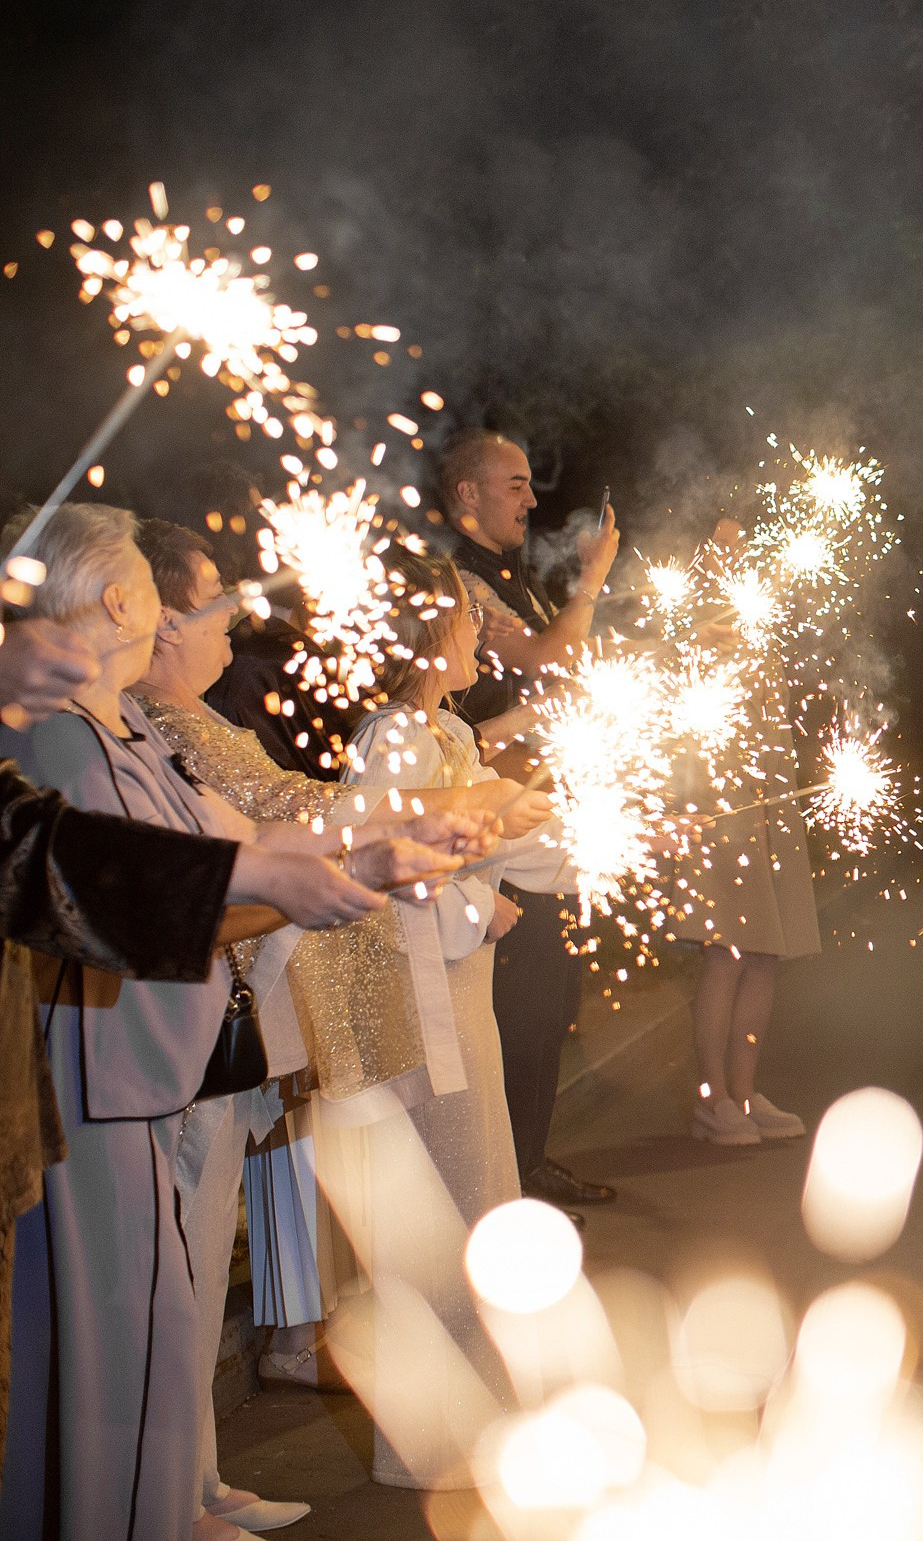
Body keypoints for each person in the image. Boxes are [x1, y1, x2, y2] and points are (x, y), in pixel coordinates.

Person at [0, 506, 467, 1541]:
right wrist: (310, 878)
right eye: (164, 588)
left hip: (137, 1080)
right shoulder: (62, 741)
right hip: (91, 1087)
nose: (205, 615)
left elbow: (234, 845)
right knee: (100, 1370)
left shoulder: (116, 732)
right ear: (121, 600)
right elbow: (115, 894)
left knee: (152, 1346)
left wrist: (377, 847)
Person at [131, 520, 535, 1530]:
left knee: (196, 1265)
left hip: (238, 1022)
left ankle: (198, 1482)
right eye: (214, 601)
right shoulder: (155, 728)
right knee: (177, 1271)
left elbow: (293, 807)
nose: (235, 621)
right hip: (193, 1025)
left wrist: (458, 814)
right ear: (161, 618)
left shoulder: (192, 721)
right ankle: (169, 1498)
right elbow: (279, 817)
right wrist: (425, 827)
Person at [335, 550, 571, 1489]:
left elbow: (496, 842)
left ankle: (473, 1421)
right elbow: (386, 866)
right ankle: (430, 1444)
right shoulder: (394, 738)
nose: (482, 630)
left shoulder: (448, 731)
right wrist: (481, 908)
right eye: (470, 616)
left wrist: (584, 845)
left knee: (477, 1192)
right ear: (435, 631)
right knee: (441, 1205)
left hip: (462, 993)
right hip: (421, 998)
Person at [438, 428, 621, 1209]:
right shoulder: (455, 580)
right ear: (467, 493)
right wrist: (592, 581)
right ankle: (503, 1185)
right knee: (518, 1009)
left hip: (543, 812)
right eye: (514, 484)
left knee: (548, 1006)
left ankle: (530, 1160)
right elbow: (549, 661)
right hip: (496, 826)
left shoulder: (511, 580)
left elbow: (562, 666)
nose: (531, 498)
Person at [681, 520, 822, 1147]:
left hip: (771, 800)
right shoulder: (685, 626)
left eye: (741, 544)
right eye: (722, 544)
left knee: (766, 950)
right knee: (727, 950)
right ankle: (712, 1098)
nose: (734, 554)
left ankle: (742, 1091)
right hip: (722, 805)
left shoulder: (759, 615)